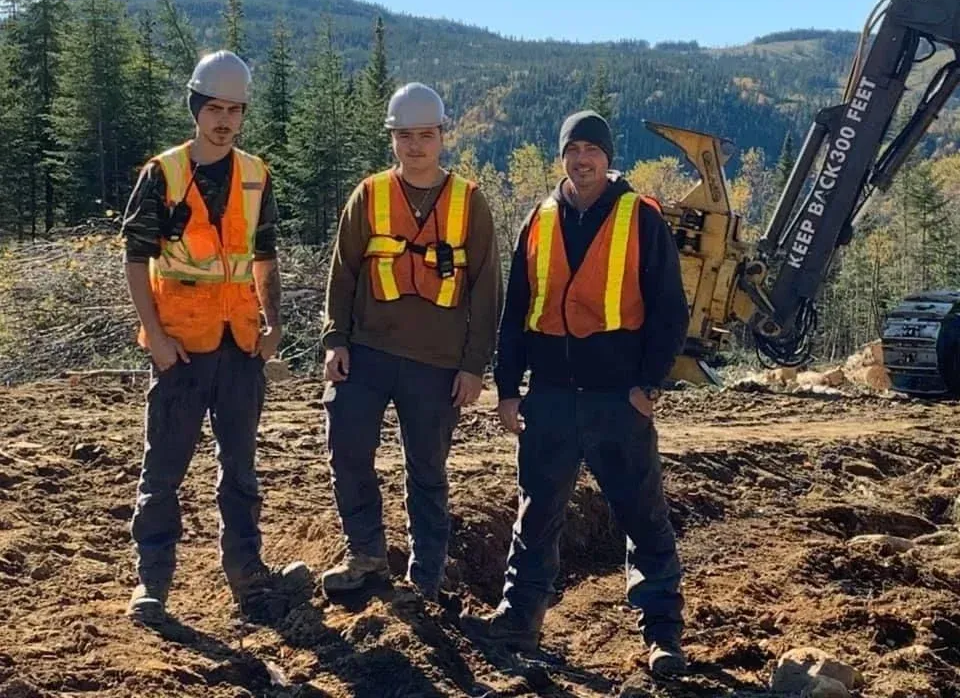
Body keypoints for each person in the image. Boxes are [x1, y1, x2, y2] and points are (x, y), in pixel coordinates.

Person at [460, 110, 691, 678]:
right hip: (551, 398)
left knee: (642, 514)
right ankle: (519, 618)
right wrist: (509, 389)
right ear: (561, 157)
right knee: (535, 513)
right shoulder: (538, 221)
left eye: (592, 149)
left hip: (618, 398)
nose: (582, 160)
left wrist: (648, 384)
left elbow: (670, 310)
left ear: (608, 159)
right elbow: (515, 315)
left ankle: (662, 633)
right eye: (573, 150)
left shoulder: (641, 218)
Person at [121, 50, 312, 625]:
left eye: (235, 109)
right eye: (216, 109)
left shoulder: (256, 175)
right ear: (197, 109)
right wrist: (153, 334)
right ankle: (152, 583)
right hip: (180, 345)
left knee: (241, 468)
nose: (225, 120)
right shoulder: (164, 173)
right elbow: (135, 257)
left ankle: (247, 574)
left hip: (241, 344)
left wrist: (273, 321)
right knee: (164, 470)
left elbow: (265, 255)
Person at [320, 82, 501, 602]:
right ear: (392, 139)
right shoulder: (370, 195)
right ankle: (367, 554)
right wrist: (336, 340)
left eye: (425, 135)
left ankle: (426, 575)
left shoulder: (470, 202)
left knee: (427, 471)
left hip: (437, 364)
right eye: (405, 136)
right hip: (369, 354)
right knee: (348, 450)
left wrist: (474, 366)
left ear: (443, 136)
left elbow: (487, 288)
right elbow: (344, 274)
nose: (415, 146)